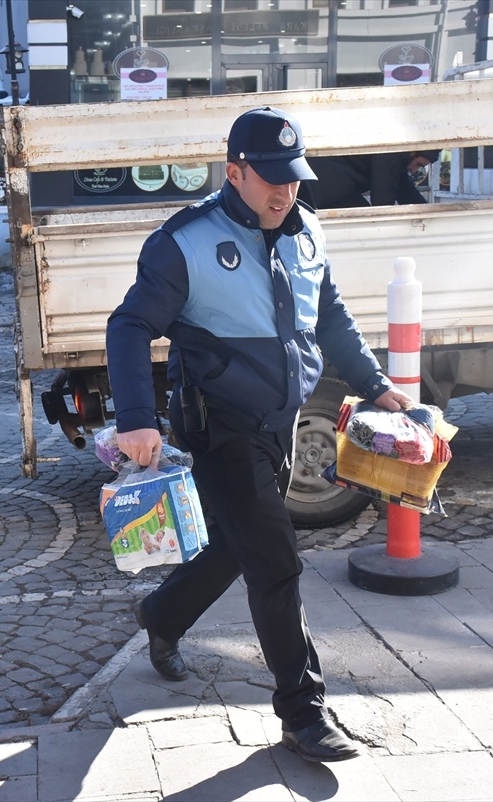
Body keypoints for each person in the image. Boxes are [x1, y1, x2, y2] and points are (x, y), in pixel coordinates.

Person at [106, 107, 411, 763]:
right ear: (234, 172)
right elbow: (129, 326)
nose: (285, 192)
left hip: (279, 421)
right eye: (270, 178)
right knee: (276, 561)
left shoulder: (306, 232)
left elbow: (329, 315)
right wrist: (135, 417)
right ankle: (303, 714)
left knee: (236, 546)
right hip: (219, 425)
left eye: (294, 178)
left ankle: (161, 616)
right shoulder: (184, 241)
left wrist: (376, 382)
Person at [298, 150, 440, 209]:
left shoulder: (399, 158)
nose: (414, 170)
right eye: (418, 165)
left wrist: (428, 212)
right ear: (412, 153)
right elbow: (383, 201)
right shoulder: (392, 155)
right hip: (322, 186)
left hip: (323, 184)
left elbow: (405, 190)